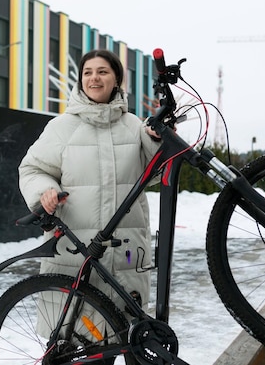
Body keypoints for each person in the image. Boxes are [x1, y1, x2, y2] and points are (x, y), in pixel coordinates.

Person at [18, 49, 162, 314]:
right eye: (88, 72)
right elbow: (32, 169)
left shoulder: (134, 126)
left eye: (102, 72)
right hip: (75, 249)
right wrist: (45, 192)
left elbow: (157, 173)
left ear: (116, 79)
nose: (94, 78)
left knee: (128, 337)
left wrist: (158, 140)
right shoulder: (62, 127)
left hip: (127, 252)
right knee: (77, 343)